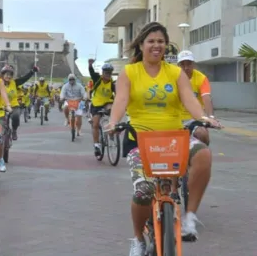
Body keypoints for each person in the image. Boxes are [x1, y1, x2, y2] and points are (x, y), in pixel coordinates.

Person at [105, 22, 221, 256]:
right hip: (140, 138)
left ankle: (189, 216)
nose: (156, 46)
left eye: (161, 42)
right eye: (151, 41)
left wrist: (204, 118)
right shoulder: (130, 72)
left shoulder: (175, 72)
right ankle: (138, 239)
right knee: (144, 191)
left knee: (203, 154)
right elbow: (121, 101)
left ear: (166, 46)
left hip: (174, 137)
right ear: (141, 44)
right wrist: (113, 121)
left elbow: (190, 100)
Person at [177, 50, 215, 145]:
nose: (186, 68)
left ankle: (203, 155)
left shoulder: (201, 78)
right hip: (175, 117)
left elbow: (206, 97)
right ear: (178, 65)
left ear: (193, 64)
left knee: (203, 134)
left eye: (189, 64)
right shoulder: (172, 77)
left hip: (194, 118)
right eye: (182, 64)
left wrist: (210, 117)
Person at [0, 64, 38, 140]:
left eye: (10, 75)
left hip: (13, 105)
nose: (8, 77)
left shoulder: (14, 82)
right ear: (2, 75)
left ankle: (14, 130)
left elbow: (24, 78)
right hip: (1, 106)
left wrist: (32, 71)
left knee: (16, 116)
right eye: (6, 74)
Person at [88, 60, 116, 156]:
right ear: (103, 73)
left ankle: (111, 130)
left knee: (112, 110)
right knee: (95, 125)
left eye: (110, 73)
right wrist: (90, 65)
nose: (108, 74)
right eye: (106, 72)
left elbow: (118, 95)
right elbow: (91, 73)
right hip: (96, 103)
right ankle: (96, 145)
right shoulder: (97, 79)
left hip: (107, 102)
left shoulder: (112, 84)